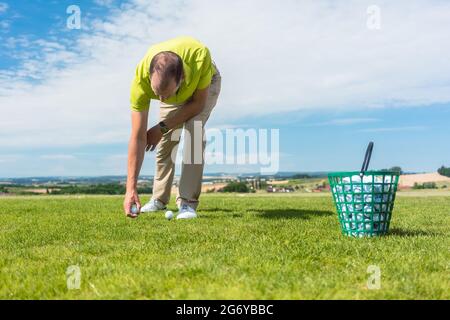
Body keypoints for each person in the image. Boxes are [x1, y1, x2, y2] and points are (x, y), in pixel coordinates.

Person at [123, 36, 221, 219]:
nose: (161, 101)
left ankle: (187, 203)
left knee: (194, 132)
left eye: (165, 95)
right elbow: (137, 137)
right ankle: (159, 199)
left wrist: (160, 127)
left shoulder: (200, 56)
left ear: (182, 78)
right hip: (173, 88)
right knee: (168, 138)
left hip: (204, 84)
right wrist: (130, 189)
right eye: (156, 94)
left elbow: (197, 105)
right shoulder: (141, 81)